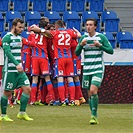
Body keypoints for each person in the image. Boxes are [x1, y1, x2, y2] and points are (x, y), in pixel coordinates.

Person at [30, 20, 81, 106]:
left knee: (59, 79)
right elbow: (79, 35)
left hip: (59, 58)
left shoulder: (55, 33)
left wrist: (38, 29)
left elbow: (43, 32)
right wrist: (76, 31)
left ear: (56, 27)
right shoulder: (70, 32)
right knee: (70, 79)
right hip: (69, 58)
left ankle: (62, 100)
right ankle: (72, 100)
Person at [75, 18, 114, 124]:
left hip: (98, 68)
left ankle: (94, 115)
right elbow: (76, 53)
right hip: (87, 69)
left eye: (91, 25)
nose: (88, 27)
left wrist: (100, 46)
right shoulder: (83, 38)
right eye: (87, 25)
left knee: (93, 90)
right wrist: (81, 45)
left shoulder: (101, 37)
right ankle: (92, 115)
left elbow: (111, 51)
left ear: (95, 27)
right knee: (89, 94)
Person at [0, 18, 35, 121]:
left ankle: (22, 113)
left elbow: (32, 44)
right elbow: (7, 52)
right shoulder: (7, 37)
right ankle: (3, 115)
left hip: (19, 70)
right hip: (10, 70)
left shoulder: (20, 38)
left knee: (27, 89)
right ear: (13, 26)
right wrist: (16, 64)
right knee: (8, 92)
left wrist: (32, 35)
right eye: (19, 27)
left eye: (22, 28)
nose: (21, 29)